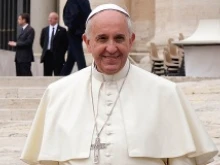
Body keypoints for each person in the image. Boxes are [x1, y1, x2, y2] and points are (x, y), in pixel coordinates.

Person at [20, 4, 218, 165]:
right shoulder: (58, 95)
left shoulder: (166, 94)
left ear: (131, 41)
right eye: (102, 38)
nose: (111, 48)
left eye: (119, 38)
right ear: (87, 42)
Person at [60, 0, 91, 75]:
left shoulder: (72, 1)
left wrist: (70, 25)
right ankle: (63, 75)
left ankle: (83, 71)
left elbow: (73, 13)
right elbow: (89, 14)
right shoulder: (85, 1)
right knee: (72, 55)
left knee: (78, 52)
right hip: (81, 29)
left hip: (74, 30)